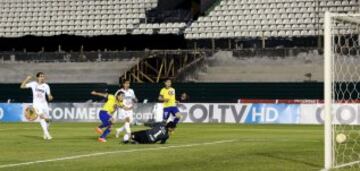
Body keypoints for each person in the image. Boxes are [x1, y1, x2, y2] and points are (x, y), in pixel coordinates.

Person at [20, 72, 54, 140]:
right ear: (37, 77)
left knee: (48, 121)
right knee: (42, 117)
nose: (42, 77)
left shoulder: (46, 86)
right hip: (36, 104)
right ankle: (48, 135)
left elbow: (49, 95)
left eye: (43, 76)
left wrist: (50, 96)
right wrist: (27, 79)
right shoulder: (33, 84)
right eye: (41, 76)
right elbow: (22, 86)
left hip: (44, 104)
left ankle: (45, 133)